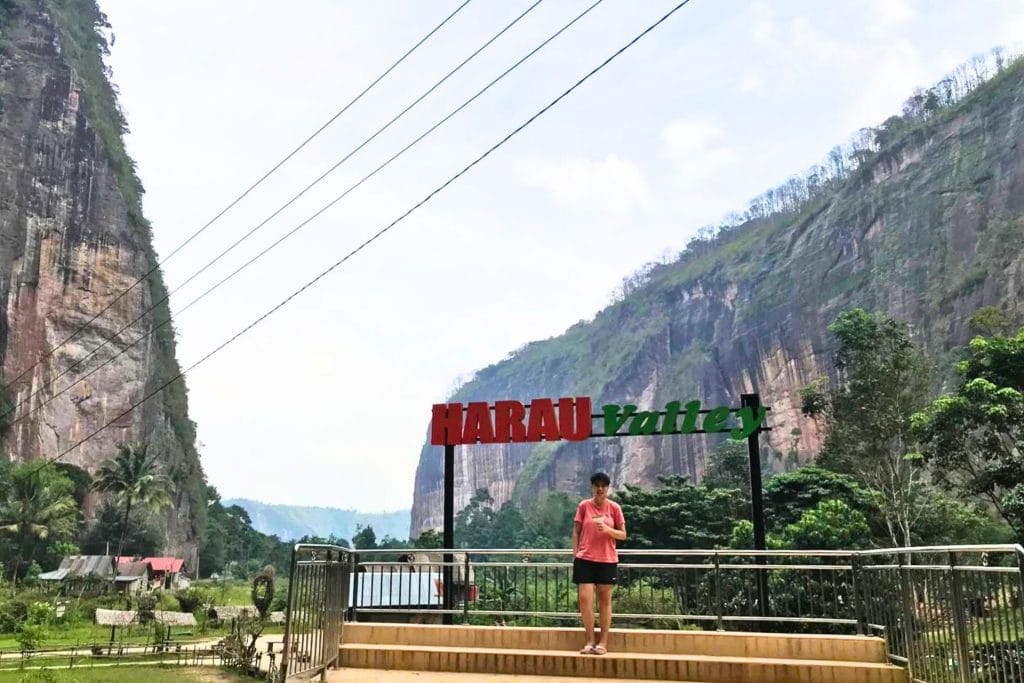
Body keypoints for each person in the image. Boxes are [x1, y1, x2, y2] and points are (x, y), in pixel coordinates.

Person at [571, 471, 627, 655]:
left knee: (604, 600)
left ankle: (603, 642)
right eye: (597, 485)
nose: (600, 488)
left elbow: (623, 534)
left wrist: (608, 530)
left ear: (608, 488)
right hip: (585, 559)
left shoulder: (614, 508)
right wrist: (575, 554)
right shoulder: (584, 506)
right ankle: (589, 640)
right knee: (585, 599)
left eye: (603, 485)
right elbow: (576, 531)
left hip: (607, 559)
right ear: (592, 487)